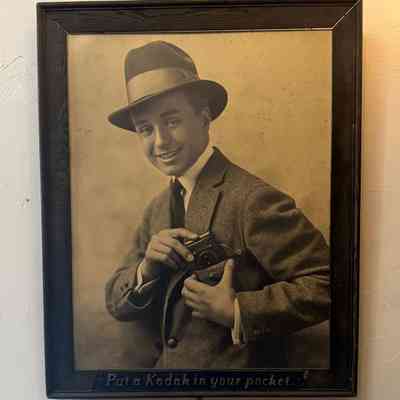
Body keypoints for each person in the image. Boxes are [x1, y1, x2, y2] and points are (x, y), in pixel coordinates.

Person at [105, 41, 330, 369]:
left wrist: (238, 309)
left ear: (204, 117)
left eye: (172, 121)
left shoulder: (251, 199)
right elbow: (116, 302)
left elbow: (326, 284)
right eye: (146, 130)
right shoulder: (157, 209)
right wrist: (146, 270)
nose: (161, 141)